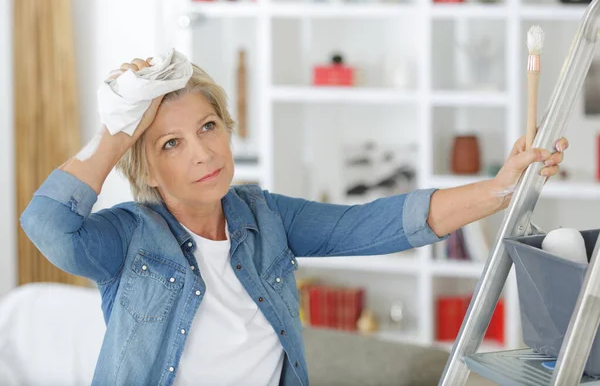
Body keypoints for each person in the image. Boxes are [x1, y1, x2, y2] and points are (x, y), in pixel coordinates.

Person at [20, 57, 568, 386]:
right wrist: (118, 128)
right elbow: (47, 225)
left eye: (208, 127)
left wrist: (500, 188)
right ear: (148, 168)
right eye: (171, 143)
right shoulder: (126, 237)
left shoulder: (264, 217)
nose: (202, 153)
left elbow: (374, 223)